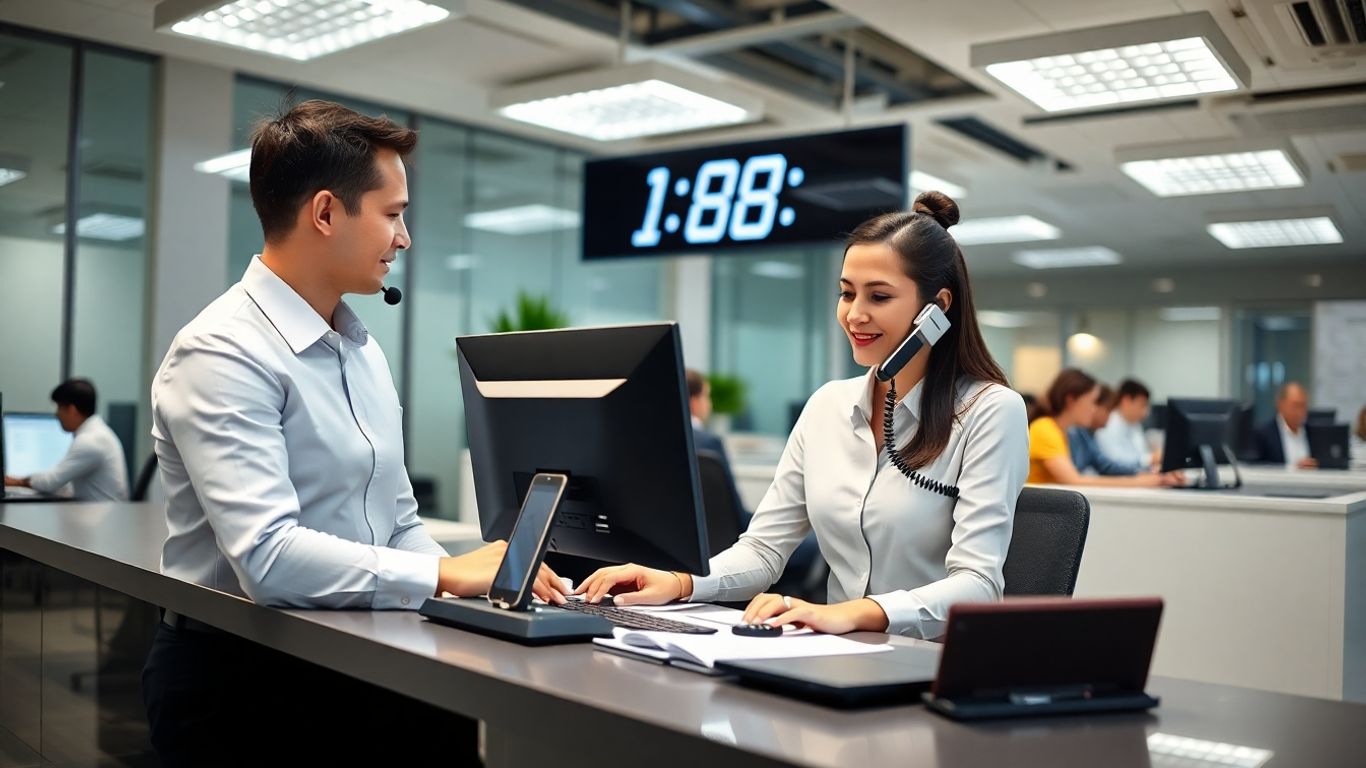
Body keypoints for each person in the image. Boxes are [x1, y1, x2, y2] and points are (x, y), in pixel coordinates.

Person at [141, 100, 562, 766]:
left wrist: (492, 585)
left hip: (365, 661)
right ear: (328, 213)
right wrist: (447, 574)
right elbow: (270, 559)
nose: (405, 238)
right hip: (245, 685)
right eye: (393, 215)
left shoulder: (359, 349)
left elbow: (395, 521)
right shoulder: (221, 351)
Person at [574, 191, 1029, 639]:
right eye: (847, 294)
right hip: (837, 656)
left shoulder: (990, 412)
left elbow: (979, 584)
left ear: (939, 308)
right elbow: (764, 550)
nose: (855, 315)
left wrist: (854, 613)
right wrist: (681, 582)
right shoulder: (828, 406)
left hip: (928, 665)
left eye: (879, 297)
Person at [1028, 369, 1182, 487]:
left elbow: (1102, 465)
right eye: (1092, 402)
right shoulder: (1044, 429)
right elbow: (1075, 481)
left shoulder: (1069, 432)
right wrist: (1142, 482)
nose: (1095, 410)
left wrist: (1151, 476)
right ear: (1071, 400)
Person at [4, 378, 128, 501]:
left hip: (102, 518)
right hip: (99, 514)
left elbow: (50, 482)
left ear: (71, 410)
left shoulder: (90, 441)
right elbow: (65, 485)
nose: (57, 414)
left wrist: (15, 481)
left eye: (59, 407)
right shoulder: (98, 433)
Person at [1067, 384, 1146, 476]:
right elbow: (1075, 478)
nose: (1110, 418)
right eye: (1108, 411)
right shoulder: (1074, 433)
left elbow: (1103, 465)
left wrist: (1138, 473)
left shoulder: (1087, 435)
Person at [1096, 378, 1156, 469]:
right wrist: (1150, 459)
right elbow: (1114, 461)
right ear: (1126, 400)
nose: (1146, 412)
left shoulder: (1134, 424)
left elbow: (1140, 454)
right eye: (1142, 405)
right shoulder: (1107, 423)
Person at [1253, 382, 1316, 469]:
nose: (1300, 411)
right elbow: (1258, 468)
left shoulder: (1313, 433)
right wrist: (1294, 468)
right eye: (1295, 405)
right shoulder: (1263, 434)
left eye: (1303, 406)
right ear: (1280, 405)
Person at [686, 367, 733, 472]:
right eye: (706, 396)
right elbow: (727, 488)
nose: (709, 404)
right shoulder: (710, 443)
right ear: (694, 401)